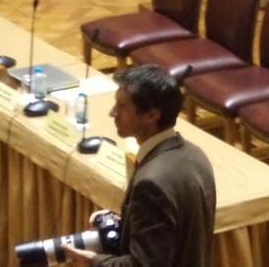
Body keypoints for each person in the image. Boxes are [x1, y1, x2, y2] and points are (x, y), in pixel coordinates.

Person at [63, 65, 216, 267]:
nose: (112, 113)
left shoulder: (151, 184)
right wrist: (127, 222)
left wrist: (93, 261)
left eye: (122, 106)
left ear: (151, 115)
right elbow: (173, 230)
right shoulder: (196, 156)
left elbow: (144, 265)